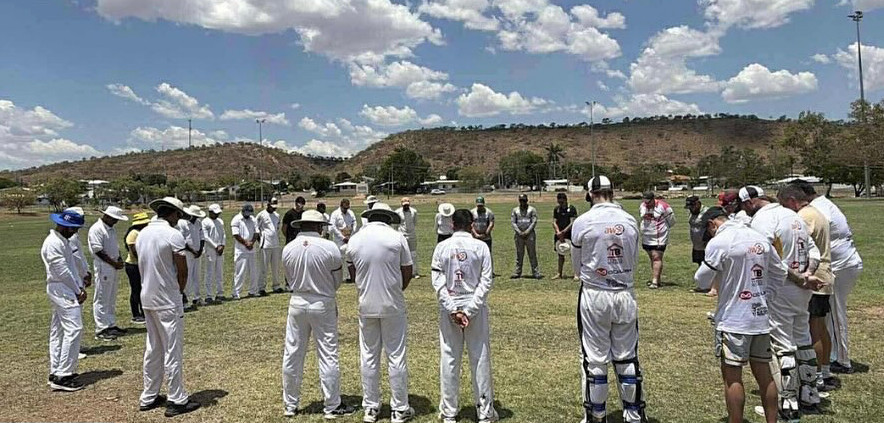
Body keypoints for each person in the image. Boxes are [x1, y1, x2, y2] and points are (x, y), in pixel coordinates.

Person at [740, 186, 825, 419]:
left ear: (750, 203)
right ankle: (809, 392)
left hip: (781, 288)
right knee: (803, 338)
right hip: (802, 288)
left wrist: (798, 278)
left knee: (782, 343)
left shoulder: (763, 220)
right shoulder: (793, 216)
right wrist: (807, 276)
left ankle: (787, 401)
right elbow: (814, 252)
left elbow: (765, 256)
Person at [694, 207, 783, 423]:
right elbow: (780, 272)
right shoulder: (759, 238)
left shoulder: (721, 242)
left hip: (733, 319)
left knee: (732, 377)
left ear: (712, 224)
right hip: (760, 317)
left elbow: (701, 280)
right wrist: (764, 296)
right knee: (765, 374)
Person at [571, 176, 648, 423]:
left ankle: (597, 413)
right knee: (626, 356)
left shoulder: (583, 222)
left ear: (590, 194)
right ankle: (633, 414)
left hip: (594, 294)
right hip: (624, 292)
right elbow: (634, 259)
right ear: (612, 192)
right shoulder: (629, 220)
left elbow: (577, 264)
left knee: (595, 358)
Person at [281, 210, 357, 419]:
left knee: (293, 353)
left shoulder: (288, 248)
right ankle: (332, 405)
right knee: (327, 353)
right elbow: (337, 280)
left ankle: (290, 404)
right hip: (322, 301)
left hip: (297, 301)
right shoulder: (329, 247)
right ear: (318, 227)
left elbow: (288, 277)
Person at [346, 203, 414, 423]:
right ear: (388, 217)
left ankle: (371, 407)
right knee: (396, 356)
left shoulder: (355, 239)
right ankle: (400, 408)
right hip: (393, 304)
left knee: (368, 356)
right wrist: (394, 289)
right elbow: (407, 271)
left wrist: (366, 288)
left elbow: (353, 270)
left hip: (366, 305)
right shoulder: (396, 237)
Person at [431, 209, 498, 423]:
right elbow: (485, 282)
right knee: (479, 357)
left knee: (450, 358)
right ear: (472, 225)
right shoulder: (480, 247)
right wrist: (468, 310)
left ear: (452, 225)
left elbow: (438, 283)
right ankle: (485, 412)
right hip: (473, 306)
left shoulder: (442, 247)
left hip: (451, 306)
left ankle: (449, 411)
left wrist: (453, 309)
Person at [790, 180, 863, 375]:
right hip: (840, 262)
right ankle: (830, 358)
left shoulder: (815, 210)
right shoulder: (824, 205)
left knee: (836, 315)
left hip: (839, 265)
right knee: (826, 318)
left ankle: (843, 360)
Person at [136, 197, 201, 417]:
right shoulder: (173, 234)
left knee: (153, 347)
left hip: (148, 297)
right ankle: (176, 398)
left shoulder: (143, 233)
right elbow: (182, 270)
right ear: (173, 214)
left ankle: (149, 395)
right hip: (167, 299)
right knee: (172, 348)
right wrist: (179, 291)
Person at [778, 186, 838, 393]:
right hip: (823, 275)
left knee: (811, 333)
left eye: (785, 206)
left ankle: (816, 378)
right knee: (820, 328)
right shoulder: (816, 212)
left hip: (813, 278)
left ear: (793, 201)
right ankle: (825, 371)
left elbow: (799, 244)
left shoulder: (803, 217)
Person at [42, 209, 89, 391]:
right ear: (68, 228)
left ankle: (57, 370)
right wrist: (77, 291)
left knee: (59, 330)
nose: (75, 231)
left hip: (63, 287)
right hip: (62, 288)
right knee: (74, 328)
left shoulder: (61, 241)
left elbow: (69, 267)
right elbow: (61, 271)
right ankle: (63, 375)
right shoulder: (54, 243)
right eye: (74, 228)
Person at [88, 205, 129, 340]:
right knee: (101, 297)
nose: (116, 221)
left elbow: (114, 247)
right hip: (103, 267)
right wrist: (113, 263)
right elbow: (98, 251)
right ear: (107, 216)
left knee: (111, 297)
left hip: (113, 266)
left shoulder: (111, 230)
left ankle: (111, 324)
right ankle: (101, 328)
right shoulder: (97, 229)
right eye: (114, 219)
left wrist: (119, 260)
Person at [638, 191, 674, 289]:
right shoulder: (642, 206)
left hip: (659, 236)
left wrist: (664, 229)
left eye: (648, 201)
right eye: (645, 201)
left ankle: (655, 282)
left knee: (656, 257)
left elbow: (671, 220)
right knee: (652, 258)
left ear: (653, 199)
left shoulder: (664, 206)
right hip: (647, 236)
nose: (647, 203)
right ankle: (657, 279)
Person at [124, 212, 151, 324]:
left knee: (141, 289)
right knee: (136, 290)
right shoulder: (134, 233)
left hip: (139, 264)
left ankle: (142, 312)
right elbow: (133, 250)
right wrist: (142, 261)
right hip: (133, 265)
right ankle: (136, 314)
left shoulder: (140, 232)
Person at [178, 205, 205, 310]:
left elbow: (202, 237)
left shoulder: (198, 223)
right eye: (194, 216)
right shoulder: (183, 223)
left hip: (198, 253)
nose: (195, 218)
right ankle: (186, 299)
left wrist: (200, 249)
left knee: (197, 275)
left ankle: (197, 297)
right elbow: (182, 239)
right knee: (187, 276)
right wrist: (192, 250)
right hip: (188, 253)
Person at [231, 203, 260, 299]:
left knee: (253, 271)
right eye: (247, 213)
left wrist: (252, 242)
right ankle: (236, 292)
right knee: (240, 272)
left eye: (250, 213)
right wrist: (245, 243)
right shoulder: (236, 219)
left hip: (251, 249)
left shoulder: (253, 219)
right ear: (243, 211)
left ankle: (253, 291)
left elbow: (256, 232)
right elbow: (236, 234)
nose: (249, 215)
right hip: (241, 250)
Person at [256, 197, 284, 294]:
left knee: (276, 267)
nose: (274, 208)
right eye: (272, 206)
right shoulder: (261, 215)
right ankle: (261, 287)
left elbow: (277, 228)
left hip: (275, 244)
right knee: (264, 267)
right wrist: (260, 240)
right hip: (265, 244)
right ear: (268, 204)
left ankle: (276, 286)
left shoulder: (277, 215)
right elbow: (257, 229)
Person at [511, 194, 541, 279]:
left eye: (524, 200)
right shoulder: (515, 210)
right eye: (521, 200)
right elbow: (513, 222)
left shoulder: (532, 210)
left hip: (530, 235)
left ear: (527, 200)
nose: (522, 202)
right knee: (519, 254)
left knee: (532, 254)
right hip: (519, 235)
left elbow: (534, 222)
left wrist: (527, 232)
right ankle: (517, 272)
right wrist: (519, 232)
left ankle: (535, 272)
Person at [686, 196, 712, 294]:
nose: (691, 209)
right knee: (700, 264)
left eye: (692, 206)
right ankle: (703, 285)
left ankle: (711, 287)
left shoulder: (707, 212)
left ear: (698, 203)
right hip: (697, 244)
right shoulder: (692, 213)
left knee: (708, 265)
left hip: (706, 245)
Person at [201, 204, 226, 302]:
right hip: (210, 250)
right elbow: (206, 237)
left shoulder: (220, 221)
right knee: (209, 272)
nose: (217, 215)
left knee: (219, 272)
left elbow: (223, 234)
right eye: (215, 213)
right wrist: (216, 246)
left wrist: (222, 245)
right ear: (210, 212)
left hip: (220, 249)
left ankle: (220, 293)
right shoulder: (205, 222)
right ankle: (208, 295)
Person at [553, 192, 578, 280]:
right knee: (560, 253)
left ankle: (576, 274)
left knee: (573, 254)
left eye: (562, 202)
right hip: (559, 234)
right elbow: (554, 221)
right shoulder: (557, 209)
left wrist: (564, 231)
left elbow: (572, 222)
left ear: (566, 200)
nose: (560, 204)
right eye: (559, 202)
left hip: (569, 234)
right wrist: (558, 232)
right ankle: (559, 273)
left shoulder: (571, 209)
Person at [396, 197, 420, 279]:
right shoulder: (398, 212)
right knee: (401, 254)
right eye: (404, 205)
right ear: (401, 204)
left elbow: (415, 223)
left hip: (412, 235)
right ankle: (401, 272)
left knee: (413, 254)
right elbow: (396, 225)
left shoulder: (414, 211)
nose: (406, 206)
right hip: (402, 236)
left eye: (407, 205)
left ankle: (414, 272)